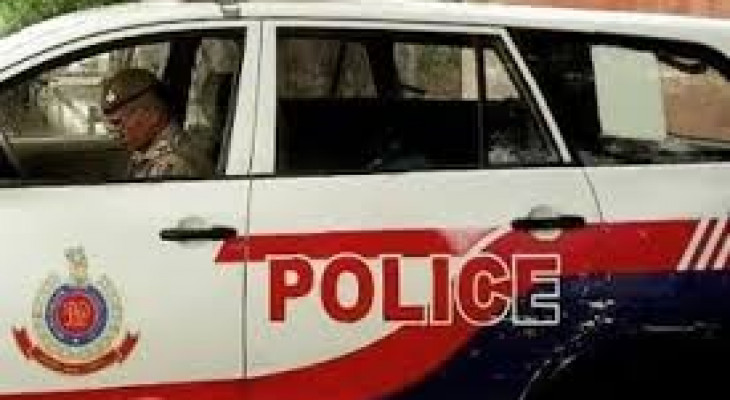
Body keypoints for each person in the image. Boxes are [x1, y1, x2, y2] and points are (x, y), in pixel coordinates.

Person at [100, 68, 214, 179]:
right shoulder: (148, 152)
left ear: (154, 115)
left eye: (119, 123)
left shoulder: (172, 166)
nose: (115, 134)